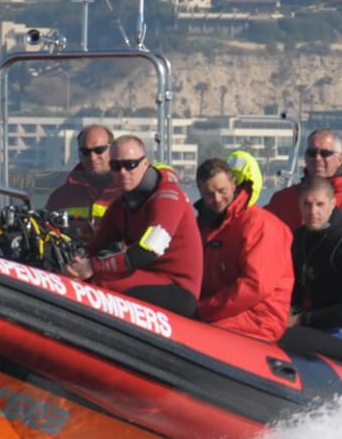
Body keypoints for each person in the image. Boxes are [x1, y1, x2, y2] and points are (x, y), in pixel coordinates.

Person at [63, 134, 203, 317]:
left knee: (97, 282)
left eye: (130, 165)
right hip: (147, 277)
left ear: (145, 164)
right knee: (83, 276)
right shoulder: (120, 205)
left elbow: (150, 250)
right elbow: (97, 247)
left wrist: (93, 267)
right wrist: (76, 265)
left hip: (177, 289)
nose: (122, 172)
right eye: (115, 166)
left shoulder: (168, 198)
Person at [194, 151, 293, 342]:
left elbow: (255, 286)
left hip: (259, 319)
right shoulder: (206, 226)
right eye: (209, 194)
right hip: (221, 311)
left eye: (222, 191)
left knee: (195, 336)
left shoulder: (261, 224)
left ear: (234, 184)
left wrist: (202, 309)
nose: (217, 199)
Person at [278, 176, 342, 363]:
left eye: (320, 204)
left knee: (273, 337)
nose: (313, 212)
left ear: (332, 203)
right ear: (299, 204)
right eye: (307, 204)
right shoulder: (300, 238)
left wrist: (298, 321)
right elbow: (295, 292)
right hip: (313, 327)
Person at [263, 127, 342, 230]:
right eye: (312, 153)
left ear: (339, 159)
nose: (317, 158)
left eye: (325, 153)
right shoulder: (283, 199)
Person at [44, 124, 121, 237]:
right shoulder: (60, 197)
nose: (92, 157)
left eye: (99, 150)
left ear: (112, 150)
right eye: (85, 151)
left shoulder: (129, 192)